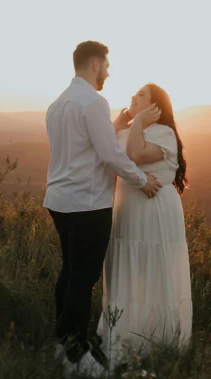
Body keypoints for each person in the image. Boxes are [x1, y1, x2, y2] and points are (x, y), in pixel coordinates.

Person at [43, 41, 162, 378]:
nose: (108, 73)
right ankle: (78, 357)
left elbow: (87, 146)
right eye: (106, 66)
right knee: (83, 278)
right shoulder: (94, 102)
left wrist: (122, 120)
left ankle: (63, 343)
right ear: (95, 64)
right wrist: (142, 180)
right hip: (87, 204)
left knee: (69, 271)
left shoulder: (57, 104)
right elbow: (109, 155)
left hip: (59, 201)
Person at [97, 82, 192, 370]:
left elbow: (135, 155)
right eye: (133, 95)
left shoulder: (163, 133)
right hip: (128, 212)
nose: (133, 98)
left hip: (155, 212)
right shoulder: (129, 130)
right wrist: (119, 123)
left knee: (154, 268)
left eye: (140, 96)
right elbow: (105, 150)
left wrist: (136, 120)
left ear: (155, 107)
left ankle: (156, 341)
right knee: (129, 269)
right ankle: (124, 336)